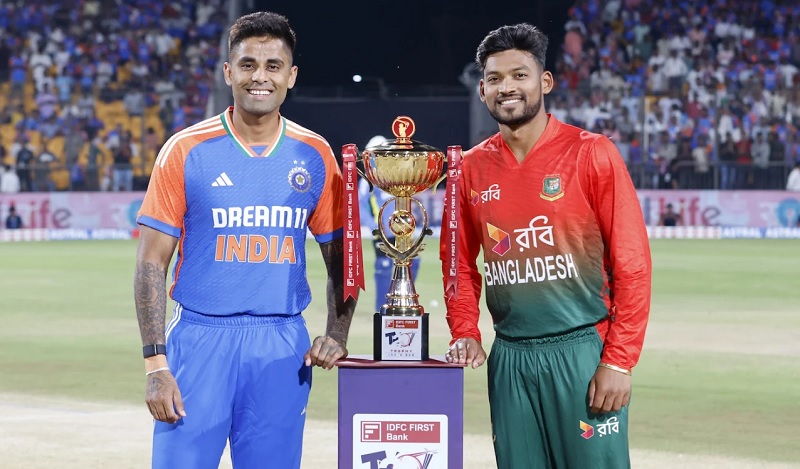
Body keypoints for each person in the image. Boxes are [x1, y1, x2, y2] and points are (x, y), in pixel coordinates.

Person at [133, 12, 355, 469]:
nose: (261, 76)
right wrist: (156, 366)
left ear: (291, 76)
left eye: (274, 66)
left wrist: (336, 333)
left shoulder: (314, 154)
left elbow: (341, 257)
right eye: (249, 63)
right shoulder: (186, 149)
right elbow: (151, 262)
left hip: (281, 345)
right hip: (199, 339)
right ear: (228, 71)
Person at [440, 24, 652, 468]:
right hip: (511, 357)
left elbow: (632, 264)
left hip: (581, 351)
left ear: (545, 82)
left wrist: (619, 361)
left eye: (520, 75)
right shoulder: (469, 169)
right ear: (482, 90)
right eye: (495, 79)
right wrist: (465, 330)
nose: (507, 87)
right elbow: (456, 261)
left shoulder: (591, 153)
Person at [359, 135, 421, 312]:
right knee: (385, 268)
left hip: (402, 232)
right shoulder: (369, 179)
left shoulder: (395, 175)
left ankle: (402, 300)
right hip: (383, 233)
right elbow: (361, 204)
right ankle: (383, 311)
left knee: (412, 263)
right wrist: (375, 227)